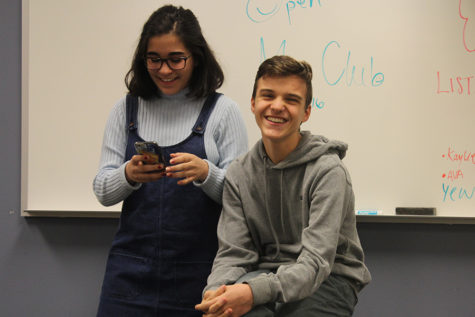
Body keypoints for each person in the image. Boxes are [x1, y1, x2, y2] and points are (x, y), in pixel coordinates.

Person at [93, 5, 248, 316]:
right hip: (128, 276)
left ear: (196, 57)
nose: (164, 70)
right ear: (143, 59)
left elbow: (244, 199)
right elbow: (102, 191)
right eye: (154, 60)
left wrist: (207, 173)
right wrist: (129, 174)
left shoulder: (223, 112)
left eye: (176, 59)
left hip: (200, 274)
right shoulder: (125, 110)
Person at [195, 55, 371, 317]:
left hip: (329, 277)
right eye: (268, 96)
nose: (277, 106)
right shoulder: (239, 173)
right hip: (264, 273)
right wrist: (217, 290)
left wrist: (253, 292)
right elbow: (234, 254)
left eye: (291, 100)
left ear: (306, 112)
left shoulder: (328, 171)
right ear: (253, 104)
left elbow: (316, 263)